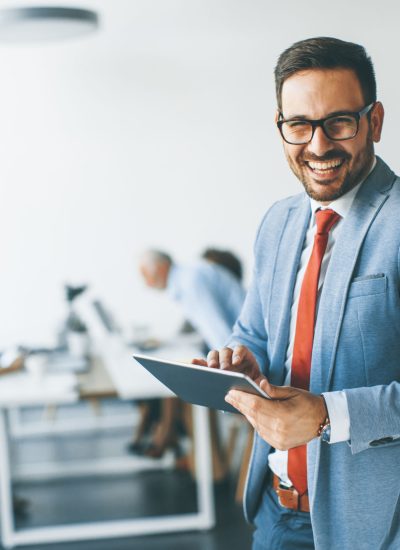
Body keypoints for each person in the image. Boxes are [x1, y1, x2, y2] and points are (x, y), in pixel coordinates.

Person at [194, 37, 400, 549]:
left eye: (340, 122)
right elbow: (254, 334)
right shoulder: (278, 222)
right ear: (281, 127)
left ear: (374, 120)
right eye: (299, 125)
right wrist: (242, 361)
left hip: (378, 525)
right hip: (276, 510)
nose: (318, 145)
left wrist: (329, 414)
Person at [130, 249, 246, 459]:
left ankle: (184, 450)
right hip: (240, 350)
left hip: (247, 359)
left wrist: (229, 380)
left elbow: (219, 332)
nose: (145, 284)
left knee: (180, 382)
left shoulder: (191, 282)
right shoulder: (187, 279)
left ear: (161, 267)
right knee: (177, 379)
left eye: (146, 275)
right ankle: (183, 450)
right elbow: (206, 331)